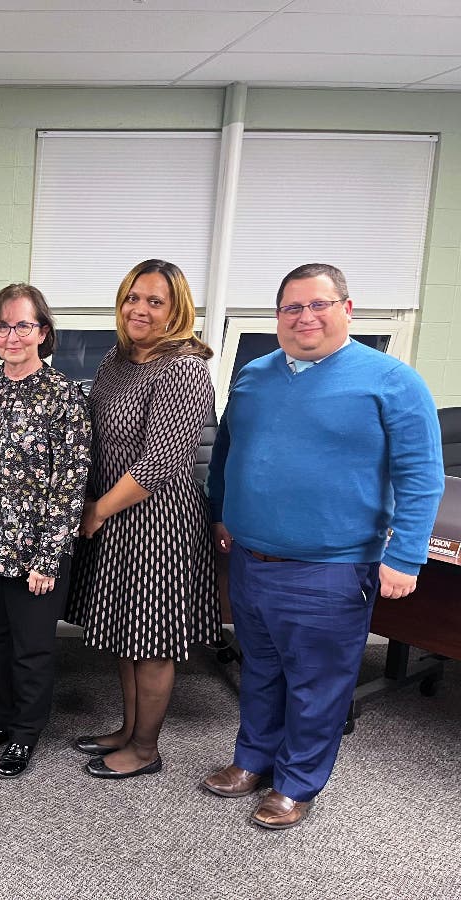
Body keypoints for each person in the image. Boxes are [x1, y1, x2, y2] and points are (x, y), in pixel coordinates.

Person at [204, 263, 444, 829]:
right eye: (291, 307)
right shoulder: (253, 375)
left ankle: (295, 784)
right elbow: (227, 453)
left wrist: (405, 555)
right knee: (260, 671)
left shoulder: (392, 381)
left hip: (331, 568)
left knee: (317, 685)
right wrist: (221, 513)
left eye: (319, 304)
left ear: (347, 309)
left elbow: (421, 475)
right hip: (251, 559)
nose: (304, 317)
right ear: (278, 315)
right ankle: (253, 760)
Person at [67, 258, 221, 780]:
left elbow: (161, 462)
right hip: (116, 516)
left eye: (155, 301)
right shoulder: (118, 358)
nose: (140, 309)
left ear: (176, 310)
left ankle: (146, 749)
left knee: (151, 640)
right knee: (127, 631)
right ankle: (129, 730)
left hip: (158, 521)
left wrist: (97, 510)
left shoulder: (182, 369)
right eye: (133, 297)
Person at [0, 284, 90, 779]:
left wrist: (48, 557)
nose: (12, 335)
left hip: (36, 554)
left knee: (32, 648)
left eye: (23, 325)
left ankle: (25, 732)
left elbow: (70, 481)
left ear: (43, 331)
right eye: (2, 326)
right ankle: (1, 719)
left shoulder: (64, 395)